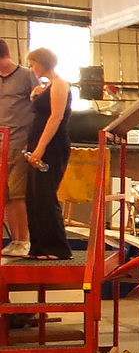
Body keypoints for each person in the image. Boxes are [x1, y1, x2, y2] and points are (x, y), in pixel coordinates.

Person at [22, 48, 71, 261]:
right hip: (38, 142)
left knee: (45, 194)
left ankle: (57, 248)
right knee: (33, 196)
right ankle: (40, 247)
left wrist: (41, 148)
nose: (32, 69)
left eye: (33, 64)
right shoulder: (47, 87)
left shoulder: (60, 83)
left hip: (51, 145)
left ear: (42, 63)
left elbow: (56, 117)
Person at [0, 41, 36, 257]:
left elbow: (39, 107)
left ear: (7, 55)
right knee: (4, 194)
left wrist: (32, 141)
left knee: (16, 193)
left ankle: (22, 240)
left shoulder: (25, 76)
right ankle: (13, 240)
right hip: (0, 142)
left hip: (19, 140)